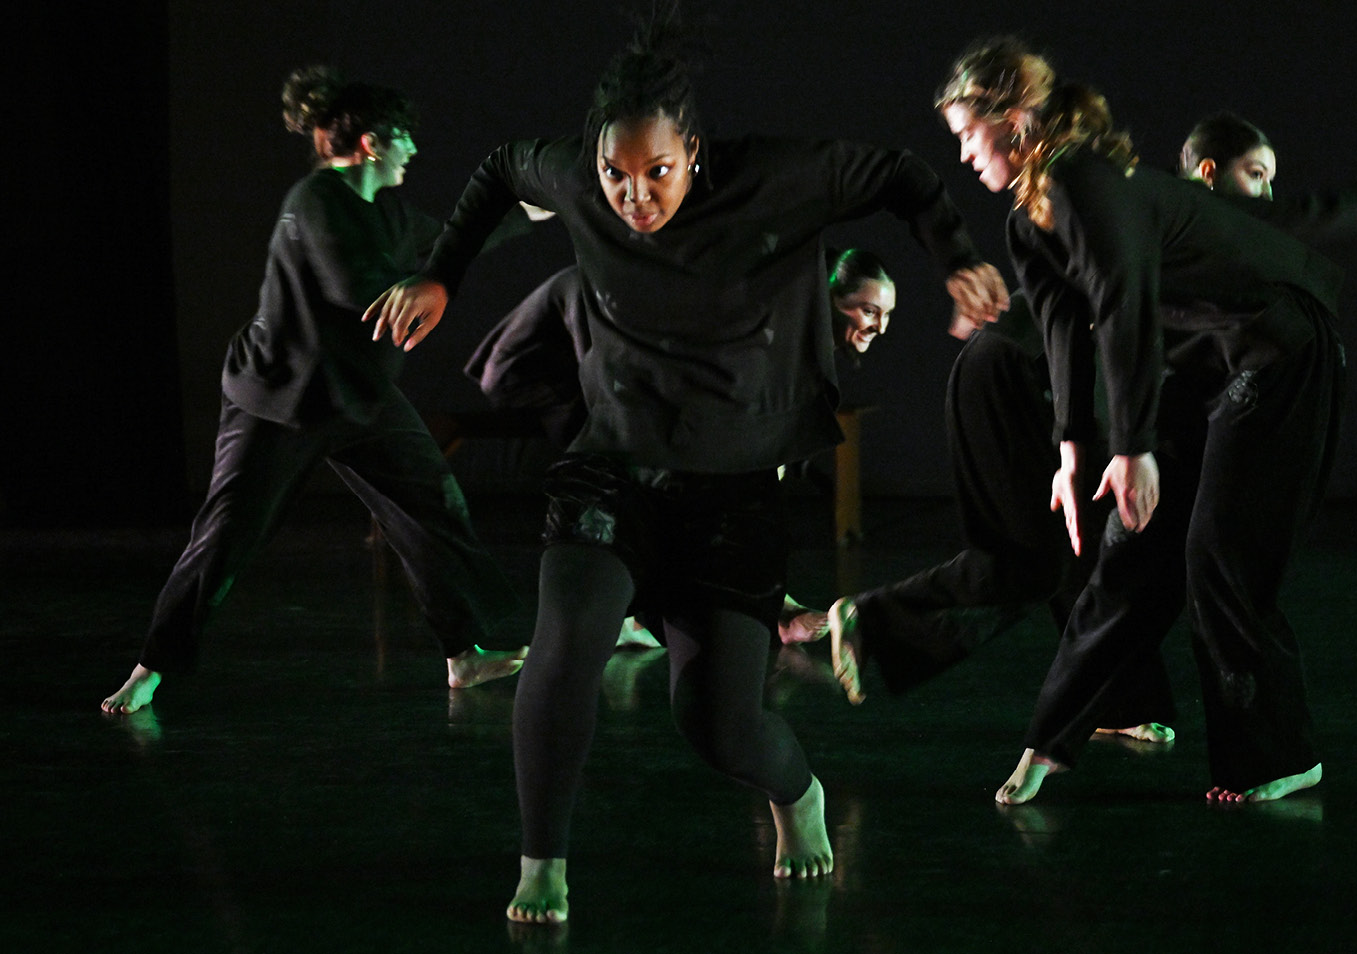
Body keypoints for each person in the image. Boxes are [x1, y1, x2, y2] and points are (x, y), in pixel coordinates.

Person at [366, 7, 1006, 923]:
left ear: (695, 152)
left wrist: (954, 259)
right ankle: (542, 861)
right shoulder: (581, 181)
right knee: (565, 644)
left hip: (731, 492)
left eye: (657, 173)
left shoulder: (775, 179)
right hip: (613, 467)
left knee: (718, 726)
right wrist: (441, 274)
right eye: (614, 176)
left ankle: (799, 793)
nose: (635, 197)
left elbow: (901, 175)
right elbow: (501, 168)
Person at [936, 38, 1346, 806]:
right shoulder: (1030, 223)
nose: (962, 154)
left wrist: (1133, 448)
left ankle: (1279, 756)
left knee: (1217, 552)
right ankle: (1051, 741)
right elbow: (1066, 333)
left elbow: (1127, 307)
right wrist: (1072, 452)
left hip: (1281, 347)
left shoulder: (1086, 179)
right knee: (1127, 549)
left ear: (1015, 120)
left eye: (967, 133)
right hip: (1206, 363)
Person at [100, 67, 527, 716]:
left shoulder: (385, 206)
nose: (414, 150)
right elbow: (356, 286)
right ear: (373, 144)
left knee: (433, 508)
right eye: (405, 138)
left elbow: (448, 244)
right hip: (281, 401)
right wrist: (417, 293)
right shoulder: (314, 202)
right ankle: (151, 667)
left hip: (359, 397)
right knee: (226, 538)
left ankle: (464, 655)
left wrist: (527, 208)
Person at [470, 246, 899, 649]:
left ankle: (646, 613)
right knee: (647, 478)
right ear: (826, 296)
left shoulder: (793, 338)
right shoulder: (767, 323)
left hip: (604, 372)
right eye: (868, 310)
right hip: (551, 361)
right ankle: (640, 614)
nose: (880, 327)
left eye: (886, 315)